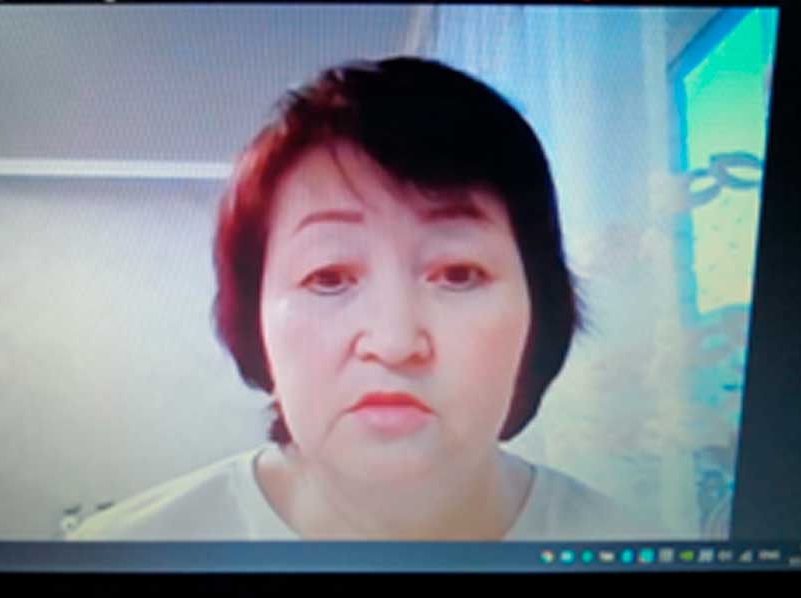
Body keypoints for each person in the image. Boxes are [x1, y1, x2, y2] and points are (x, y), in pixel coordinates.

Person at [72, 57, 655, 541]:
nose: (395, 343)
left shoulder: (626, 547)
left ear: (539, 312)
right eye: (328, 277)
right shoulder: (122, 554)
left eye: (457, 273)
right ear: (254, 323)